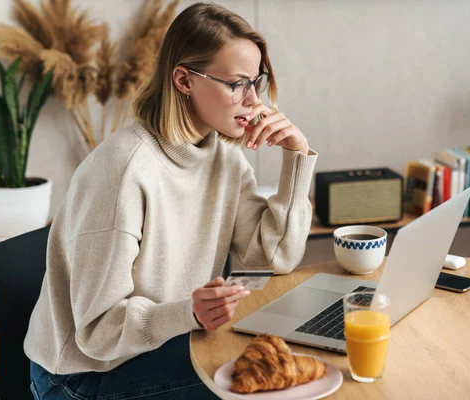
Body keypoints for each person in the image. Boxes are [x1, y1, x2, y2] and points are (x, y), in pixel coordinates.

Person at [25, 2, 318, 399]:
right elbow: (96, 332)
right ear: (183, 80)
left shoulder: (223, 156)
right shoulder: (123, 171)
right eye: (237, 84)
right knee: (262, 384)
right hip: (82, 376)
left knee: (290, 358)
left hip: (164, 341)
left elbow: (272, 258)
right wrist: (190, 314)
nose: (253, 101)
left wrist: (296, 158)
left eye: (256, 82)